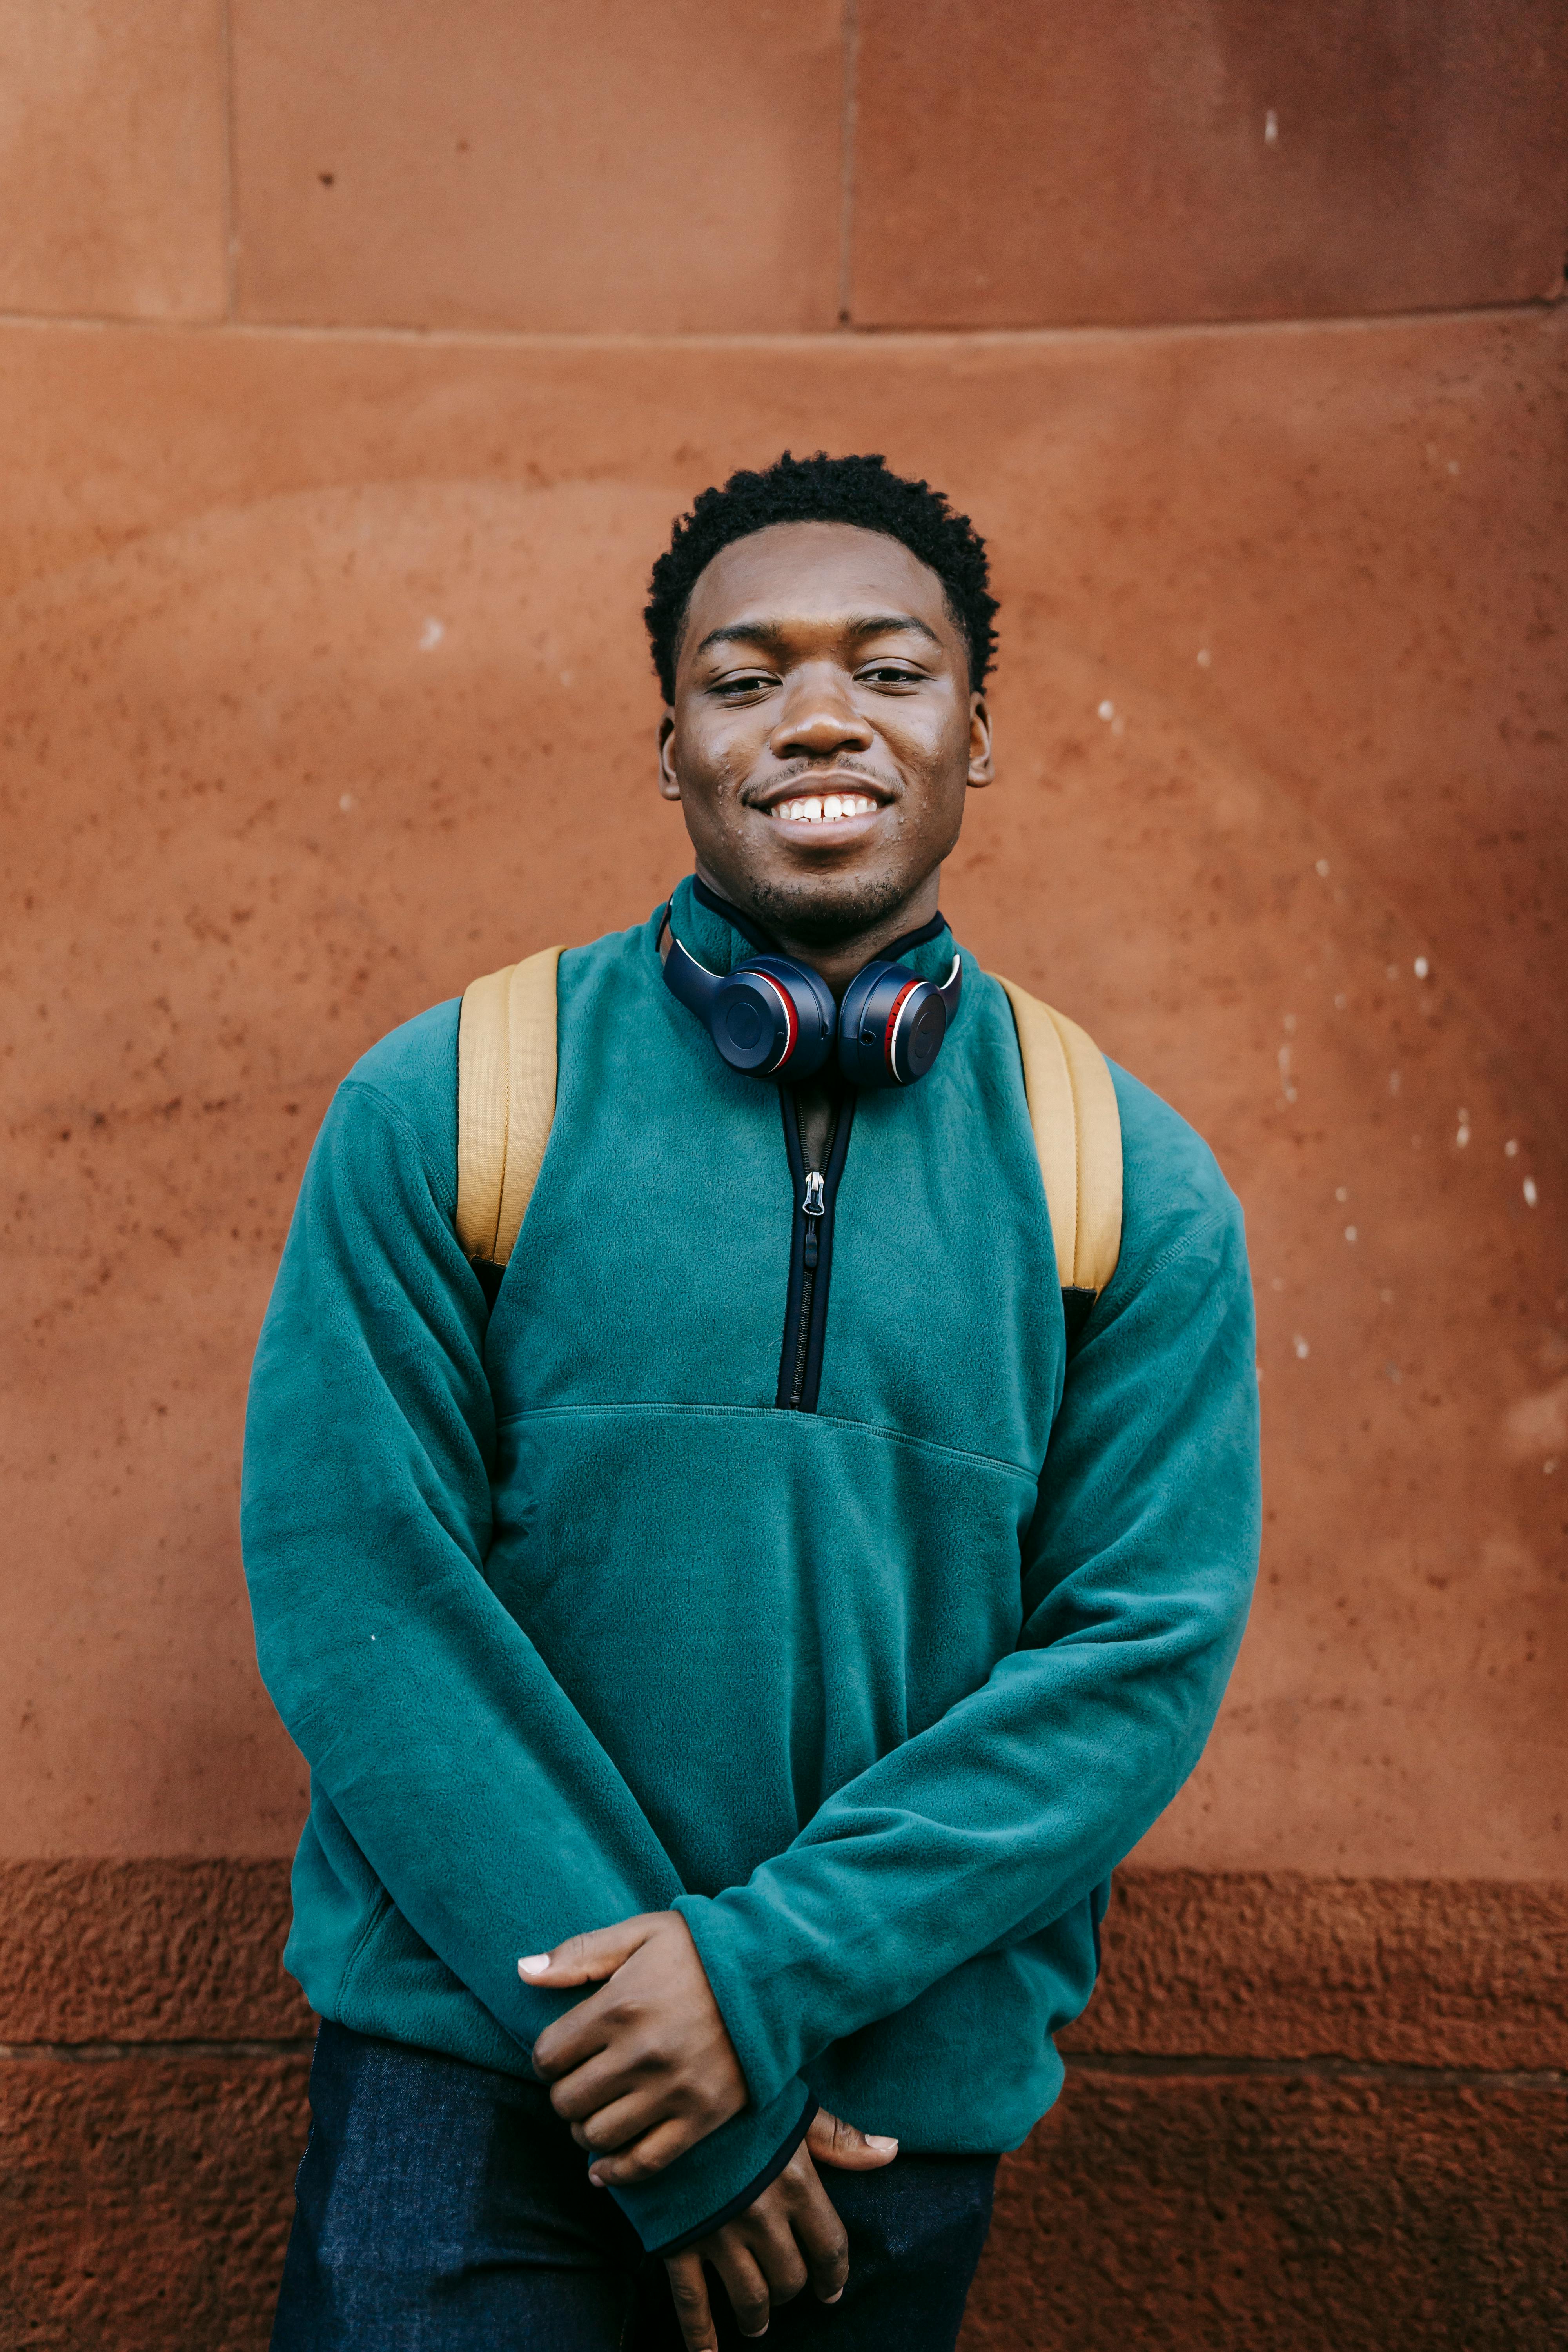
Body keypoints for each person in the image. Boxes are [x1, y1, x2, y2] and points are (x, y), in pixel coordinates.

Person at [243, 451, 1261, 2350]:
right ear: (670, 745)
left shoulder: (1126, 1180)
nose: (819, 715)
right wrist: (663, 2085)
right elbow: (357, 1587)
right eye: (744, 675)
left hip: (877, 2131)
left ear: (979, 732)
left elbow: (1136, 1659)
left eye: (890, 669)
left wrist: (761, 1979)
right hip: (466, 2104)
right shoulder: (449, 1101)